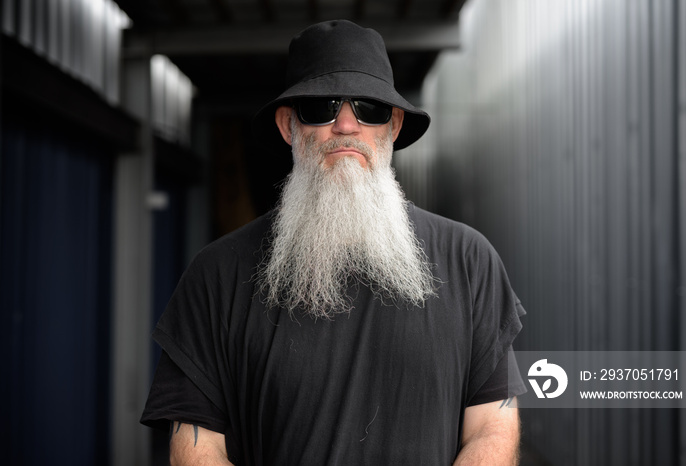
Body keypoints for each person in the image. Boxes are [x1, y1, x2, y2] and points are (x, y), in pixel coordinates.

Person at [141, 19, 527, 465]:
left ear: (394, 127)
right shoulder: (216, 272)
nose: (346, 124)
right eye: (320, 107)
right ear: (288, 126)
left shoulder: (469, 260)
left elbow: (492, 427)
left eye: (371, 109)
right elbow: (197, 446)